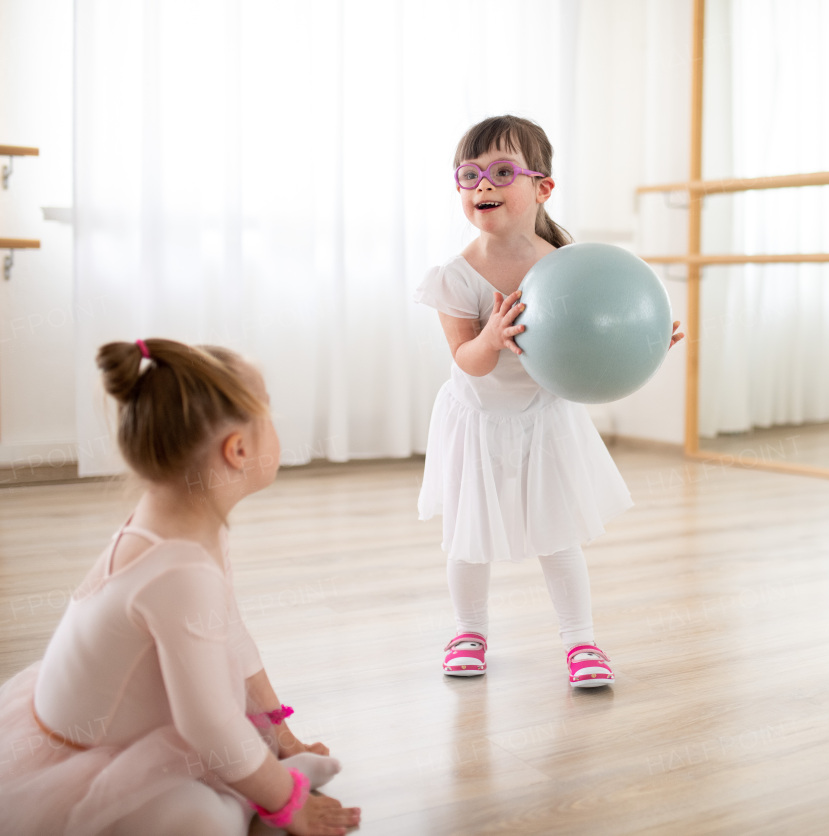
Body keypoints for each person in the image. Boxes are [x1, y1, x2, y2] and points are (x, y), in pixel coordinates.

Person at [0, 339, 361, 835]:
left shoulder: (184, 523)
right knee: (200, 820)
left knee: (237, 746)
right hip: (85, 759)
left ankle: (264, 772)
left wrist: (282, 734)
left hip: (103, 725)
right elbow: (209, 725)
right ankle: (260, 790)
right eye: (270, 415)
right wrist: (288, 802)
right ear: (237, 450)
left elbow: (232, 635)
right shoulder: (180, 570)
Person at [415, 115, 682, 688]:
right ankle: (468, 629)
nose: (482, 185)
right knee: (469, 534)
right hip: (478, 419)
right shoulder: (458, 277)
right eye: (469, 174)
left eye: (502, 171)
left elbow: (599, 335)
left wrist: (645, 339)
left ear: (542, 188)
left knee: (557, 534)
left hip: (544, 418)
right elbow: (468, 360)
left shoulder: (565, 263)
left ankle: (580, 639)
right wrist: (491, 337)